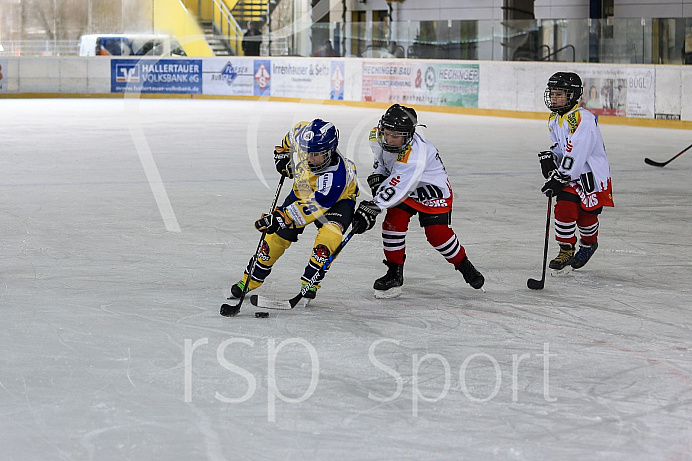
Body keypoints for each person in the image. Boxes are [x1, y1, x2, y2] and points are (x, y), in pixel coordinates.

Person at [351, 104, 484, 298]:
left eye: (395, 136)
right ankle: (394, 273)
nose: (388, 139)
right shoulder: (377, 136)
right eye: (386, 132)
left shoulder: (416, 154)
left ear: (408, 136)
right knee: (392, 223)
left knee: (437, 234)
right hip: (403, 186)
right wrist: (378, 175)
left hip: (431, 189)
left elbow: (398, 184)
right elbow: (383, 164)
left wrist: (374, 205)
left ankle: (464, 265)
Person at [230, 119, 359, 301]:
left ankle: (310, 281)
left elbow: (311, 209)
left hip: (337, 201)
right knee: (274, 237)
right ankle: (251, 278)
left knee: (331, 236)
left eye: (316, 155)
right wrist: (282, 155)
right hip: (303, 191)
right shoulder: (302, 135)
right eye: (307, 153)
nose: (310, 159)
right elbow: (289, 138)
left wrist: (281, 217)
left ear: (330, 151)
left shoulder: (335, 178)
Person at [539, 72, 614, 272]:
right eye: (552, 94)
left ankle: (589, 244)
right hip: (571, 175)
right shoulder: (555, 118)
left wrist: (561, 176)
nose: (554, 98)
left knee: (587, 217)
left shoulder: (583, 118)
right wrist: (551, 157)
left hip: (590, 176)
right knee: (564, 209)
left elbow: (578, 149)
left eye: (559, 94)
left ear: (572, 95)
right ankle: (565, 249)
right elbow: (562, 147)